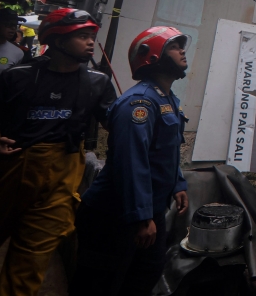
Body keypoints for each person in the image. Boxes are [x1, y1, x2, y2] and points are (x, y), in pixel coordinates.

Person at [0, 8, 116, 296]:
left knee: (28, 267)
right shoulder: (17, 76)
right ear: (57, 39)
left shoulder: (97, 83)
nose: (91, 42)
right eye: (82, 36)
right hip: (10, 170)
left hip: (60, 181)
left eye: (92, 36)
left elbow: (115, 124)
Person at [70, 26, 190, 296]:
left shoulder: (167, 99)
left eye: (182, 45)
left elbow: (166, 150)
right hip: (114, 214)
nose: (182, 51)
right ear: (152, 56)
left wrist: (178, 183)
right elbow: (131, 161)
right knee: (98, 285)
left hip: (148, 210)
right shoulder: (140, 103)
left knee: (143, 277)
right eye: (174, 46)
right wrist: (141, 216)